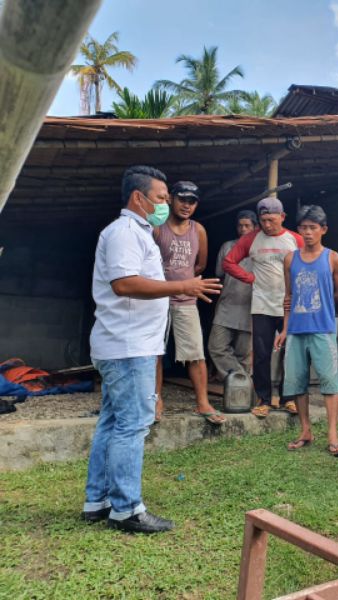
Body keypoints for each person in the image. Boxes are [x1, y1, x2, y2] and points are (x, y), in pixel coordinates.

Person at [82, 166, 221, 533]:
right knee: (132, 425)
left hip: (126, 343)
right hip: (128, 347)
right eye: (161, 198)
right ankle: (127, 509)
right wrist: (184, 285)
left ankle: (97, 500)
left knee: (112, 422)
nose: (165, 204)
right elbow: (125, 284)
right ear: (138, 198)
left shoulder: (136, 232)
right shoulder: (126, 233)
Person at [274, 205, 338, 456]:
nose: (307, 233)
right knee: (297, 382)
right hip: (295, 330)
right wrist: (284, 328)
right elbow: (288, 297)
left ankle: (333, 434)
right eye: (303, 227)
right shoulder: (290, 259)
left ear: (323, 230)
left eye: (313, 228)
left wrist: (322, 308)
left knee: (329, 382)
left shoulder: (333, 258)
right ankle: (305, 430)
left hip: (323, 329)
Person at [223, 197, 303, 417]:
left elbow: (309, 263)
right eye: (263, 220)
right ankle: (264, 399)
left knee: (291, 354)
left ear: (282, 217)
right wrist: (248, 277)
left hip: (289, 307)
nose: (267, 225)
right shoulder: (251, 239)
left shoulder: (294, 240)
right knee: (261, 355)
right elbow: (228, 262)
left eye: (271, 220)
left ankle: (289, 398)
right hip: (261, 306)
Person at [153, 181, 223, 425]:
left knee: (195, 353)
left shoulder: (198, 230)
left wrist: (184, 281)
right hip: (157, 300)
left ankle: (203, 402)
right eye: (182, 199)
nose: (186, 205)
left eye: (192, 201)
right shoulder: (158, 228)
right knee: (155, 352)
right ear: (171, 199)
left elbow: (200, 265)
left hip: (187, 300)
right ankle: (156, 400)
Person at [208, 210, 257, 378]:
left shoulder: (261, 249)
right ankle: (241, 381)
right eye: (240, 225)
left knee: (244, 354)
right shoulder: (228, 246)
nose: (243, 229)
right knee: (216, 347)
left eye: (247, 226)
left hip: (250, 306)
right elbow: (219, 276)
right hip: (227, 305)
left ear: (255, 227)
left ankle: (239, 396)